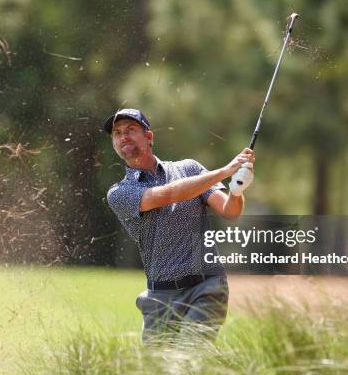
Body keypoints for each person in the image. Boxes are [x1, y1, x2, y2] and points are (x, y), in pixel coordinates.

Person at [104, 108, 255, 344]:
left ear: (149, 137)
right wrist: (225, 171)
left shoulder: (189, 169)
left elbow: (230, 210)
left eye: (131, 130)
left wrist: (237, 190)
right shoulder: (119, 193)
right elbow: (169, 194)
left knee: (189, 359)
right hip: (160, 296)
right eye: (117, 133)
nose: (123, 136)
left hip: (206, 287)